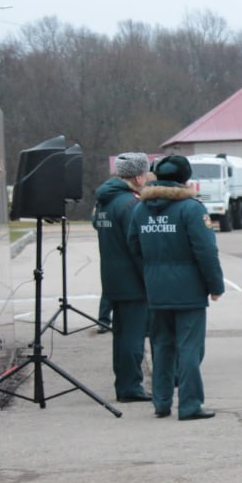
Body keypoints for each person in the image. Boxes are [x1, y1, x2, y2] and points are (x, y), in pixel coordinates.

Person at [127, 154, 224, 420]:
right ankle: (190, 404)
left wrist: (152, 271)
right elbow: (205, 251)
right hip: (189, 289)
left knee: (161, 346)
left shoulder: (141, 208)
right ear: (186, 179)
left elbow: (133, 246)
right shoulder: (191, 208)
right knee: (190, 348)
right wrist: (215, 285)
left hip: (156, 289)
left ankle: (161, 402)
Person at [93, 151, 153, 403]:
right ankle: (130, 386)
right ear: (138, 177)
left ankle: (124, 383)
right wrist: (149, 277)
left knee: (121, 335)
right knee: (133, 336)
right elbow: (137, 245)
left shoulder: (104, 202)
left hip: (112, 277)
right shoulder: (131, 204)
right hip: (132, 281)